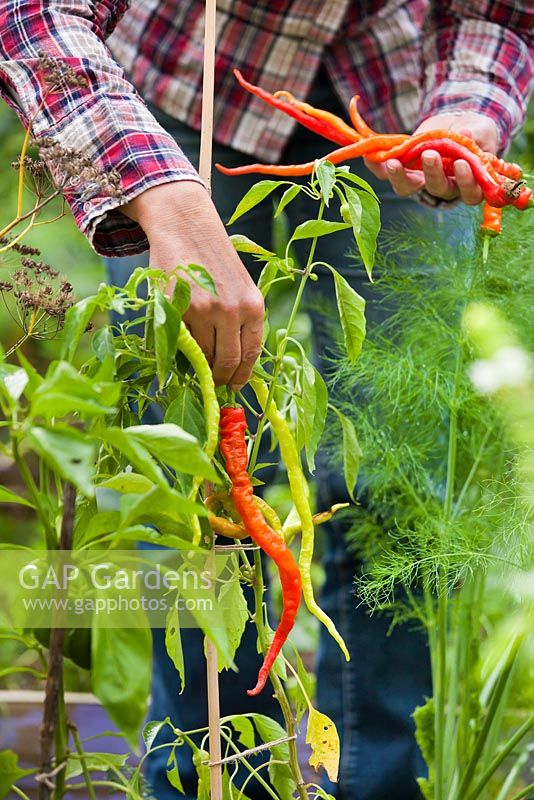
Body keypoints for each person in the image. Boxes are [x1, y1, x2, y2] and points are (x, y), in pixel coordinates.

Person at [0, 2, 532, 798]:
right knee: (187, 480)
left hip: (391, 100)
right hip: (174, 96)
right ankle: (199, 772)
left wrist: (467, 104)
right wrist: (167, 199)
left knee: (403, 491)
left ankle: (388, 782)